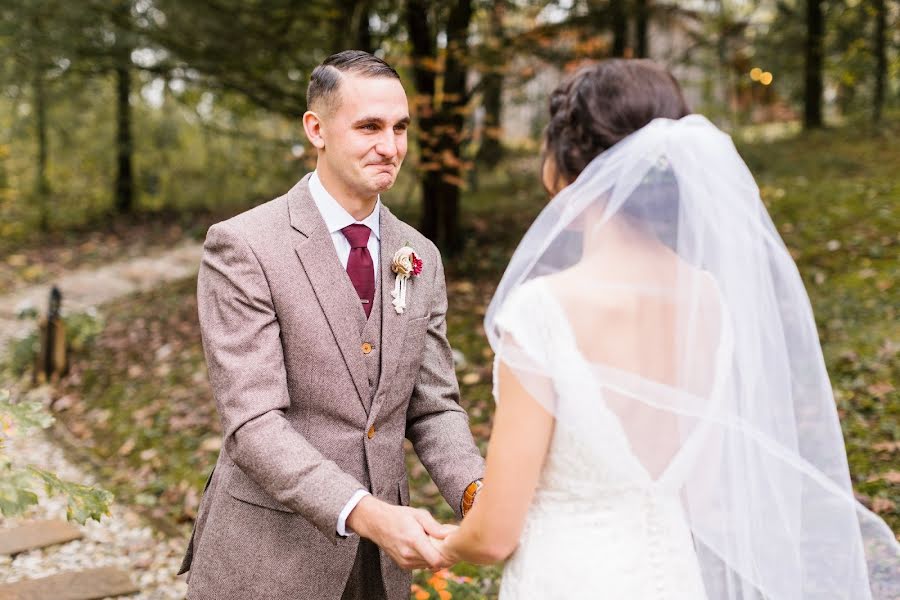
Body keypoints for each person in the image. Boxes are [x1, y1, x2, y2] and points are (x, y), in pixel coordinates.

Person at [432, 59, 900, 599]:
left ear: (564, 166)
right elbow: (699, 496)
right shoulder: (710, 301)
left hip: (568, 579)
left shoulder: (543, 312)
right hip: (673, 577)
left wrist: (443, 544)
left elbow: (494, 535)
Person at [179, 50, 485, 600]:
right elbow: (252, 423)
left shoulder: (421, 256)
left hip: (384, 568)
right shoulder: (244, 246)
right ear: (316, 129)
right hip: (271, 558)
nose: (390, 148)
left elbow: (434, 404)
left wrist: (475, 494)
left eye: (400, 129)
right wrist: (365, 512)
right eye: (369, 127)